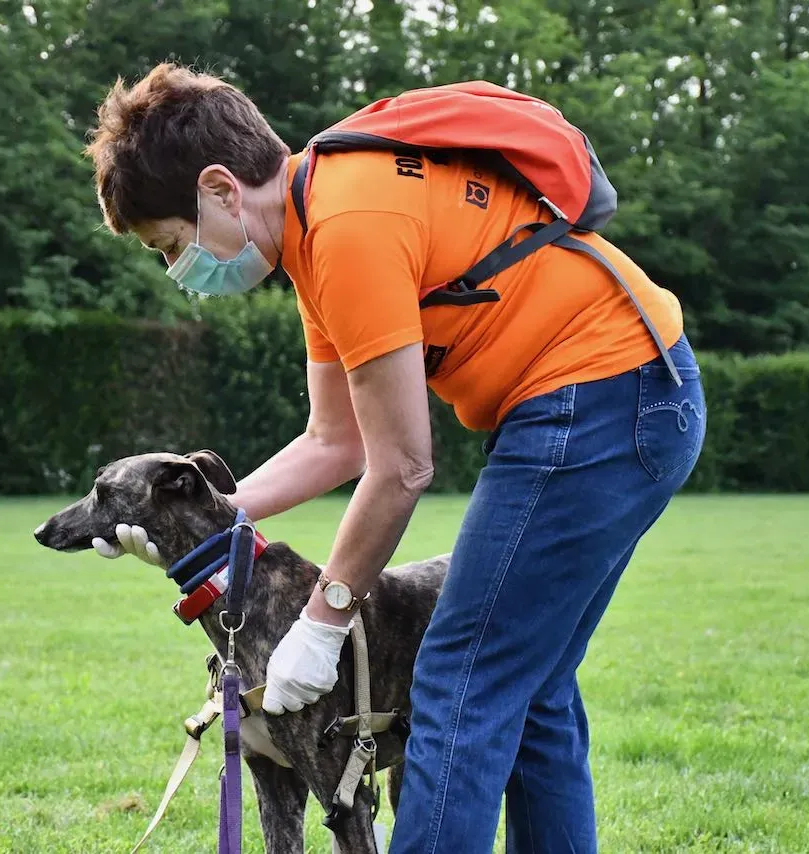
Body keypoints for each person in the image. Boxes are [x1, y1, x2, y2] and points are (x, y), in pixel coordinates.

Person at [82, 62, 706, 854]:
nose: (181, 271)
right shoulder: (314, 227)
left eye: (172, 244)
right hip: (629, 391)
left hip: (605, 400)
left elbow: (404, 465)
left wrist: (322, 617)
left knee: (459, 678)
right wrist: (210, 520)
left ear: (220, 188)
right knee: (531, 689)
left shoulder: (348, 227)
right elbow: (333, 441)